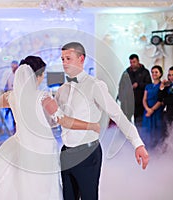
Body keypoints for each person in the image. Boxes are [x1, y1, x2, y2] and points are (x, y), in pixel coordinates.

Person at [0, 56, 100, 200]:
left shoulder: (12, 96)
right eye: (43, 74)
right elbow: (63, 120)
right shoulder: (43, 97)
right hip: (42, 148)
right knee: (43, 186)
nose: (43, 78)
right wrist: (90, 125)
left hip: (20, 144)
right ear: (38, 75)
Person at [53, 42, 149, 200]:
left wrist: (138, 143)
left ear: (81, 59)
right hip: (66, 152)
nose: (64, 62)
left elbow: (118, 115)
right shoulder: (62, 89)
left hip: (87, 152)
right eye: (62, 59)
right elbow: (57, 119)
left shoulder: (94, 85)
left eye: (68, 58)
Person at [119, 54, 151, 125]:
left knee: (139, 122)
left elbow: (149, 85)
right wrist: (121, 97)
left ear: (138, 61)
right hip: (127, 102)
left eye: (134, 62)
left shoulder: (145, 72)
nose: (132, 64)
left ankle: (140, 135)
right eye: (131, 62)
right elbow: (121, 86)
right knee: (126, 122)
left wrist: (138, 84)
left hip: (140, 102)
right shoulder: (126, 73)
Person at [142, 65, 164, 147]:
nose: (154, 74)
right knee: (147, 131)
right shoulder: (148, 86)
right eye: (153, 72)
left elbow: (161, 100)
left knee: (157, 131)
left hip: (157, 111)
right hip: (147, 111)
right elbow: (144, 99)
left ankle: (157, 150)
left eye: (156, 72)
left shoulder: (163, 85)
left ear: (160, 74)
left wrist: (152, 110)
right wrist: (148, 109)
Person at [4, 60, 19, 126]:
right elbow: (7, 86)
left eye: (15, 67)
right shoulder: (10, 76)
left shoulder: (19, 75)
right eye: (12, 67)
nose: (13, 68)